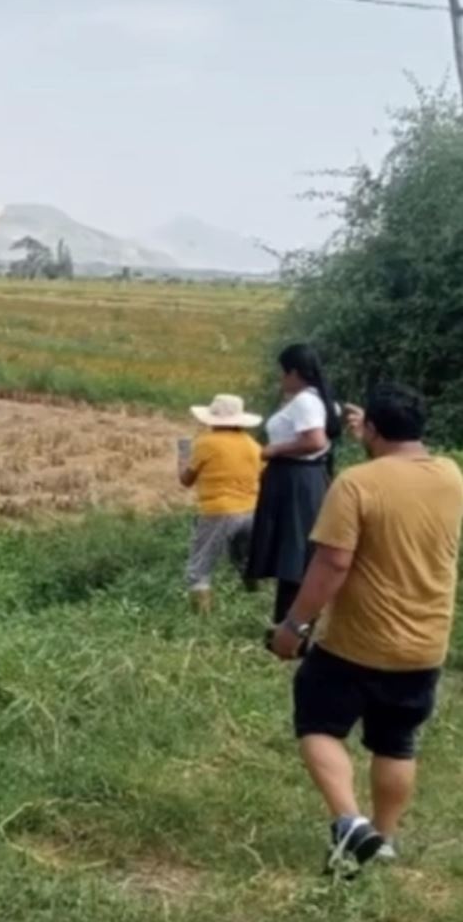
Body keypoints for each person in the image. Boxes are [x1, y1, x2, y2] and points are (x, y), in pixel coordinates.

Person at [269, 385, 462, 872]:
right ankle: (385, 838)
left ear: (371, 429)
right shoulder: (451, 475)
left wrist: (295, 623)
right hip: (425, 643)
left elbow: (333, 563)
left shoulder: (357, 483)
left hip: (358, 641)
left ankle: (350, 823)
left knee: (317, 721)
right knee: (396, 740)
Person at [248, 345, 344, 623]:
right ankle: (289, 618)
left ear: (293, 372)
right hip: (302, 477)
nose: (281, 379)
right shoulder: (319, 399)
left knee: (294, 549)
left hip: (294, 478)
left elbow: (314, 441)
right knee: (295, 547)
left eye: (283, 373)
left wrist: (273, 450)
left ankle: (293, 621)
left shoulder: (305, 401)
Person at [179, 393, 264, 614]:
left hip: (218, 511)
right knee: (244, 561)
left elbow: (186, 480)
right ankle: (254, 603)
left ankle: (202, 621)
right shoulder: (253, 445)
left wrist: (182, 456)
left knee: (200, 568)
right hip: (252, 510)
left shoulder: (205, 443)